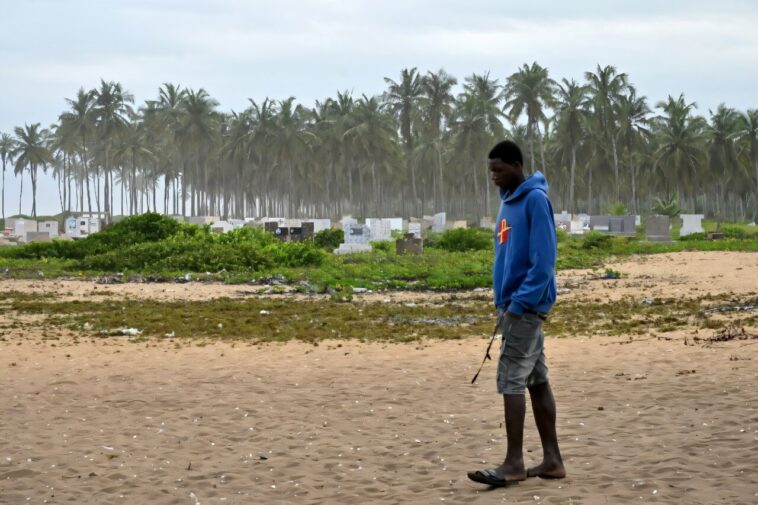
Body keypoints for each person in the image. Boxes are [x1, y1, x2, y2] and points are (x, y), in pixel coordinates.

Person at [468, 140, 566, 487]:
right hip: (511, 307)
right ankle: (553, 461)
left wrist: (519, 303)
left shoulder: (535, 200)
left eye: (499, 169)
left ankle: (513, 463)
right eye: (490, 170)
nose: (493, 176)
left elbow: (544, 263)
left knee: (511, 379)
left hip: (525, 309)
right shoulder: (507, 203)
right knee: (537, 381)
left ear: (516, 165)